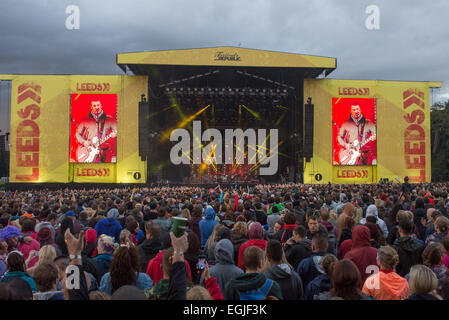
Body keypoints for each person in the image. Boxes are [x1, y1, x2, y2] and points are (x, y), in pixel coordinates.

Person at [74, 96, 117, 163]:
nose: (97, 107)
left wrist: (115, 134)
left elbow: (117, 131)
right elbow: (77, 134)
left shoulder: (110, 119)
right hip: (90, 152)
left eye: (98, 105)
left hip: (105, 153)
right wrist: (84, 142)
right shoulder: (85, 120)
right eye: (94, 105)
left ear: (101, 106)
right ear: (91, 107)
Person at [336, 101, 376, 165]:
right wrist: (345, 145)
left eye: (357, 109)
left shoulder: (368, 123)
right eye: (354, 110)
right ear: (350, 111)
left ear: (360, 110)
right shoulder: (346, 123)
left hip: (366, 155)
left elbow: (376, 134)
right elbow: (339, 137)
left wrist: (374, 137)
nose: (356, 111)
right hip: (351, 154)